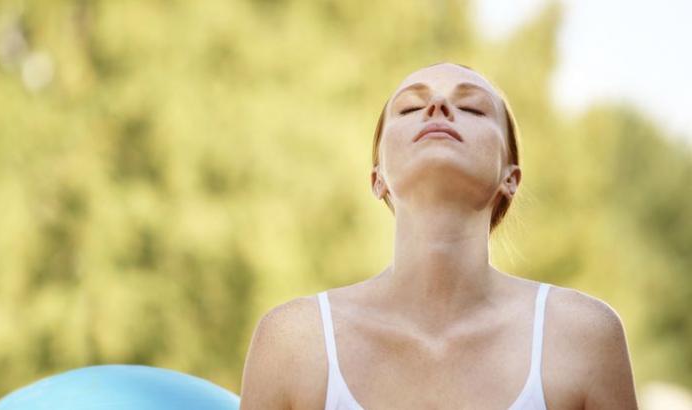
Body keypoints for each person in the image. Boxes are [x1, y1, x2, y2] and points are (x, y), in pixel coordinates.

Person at [239, 62, 638, 409]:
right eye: (411, 107)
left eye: (472, 107)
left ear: (510, 178)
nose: (438, 107)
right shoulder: (294, 341)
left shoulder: (583, 336)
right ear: (378, 178)